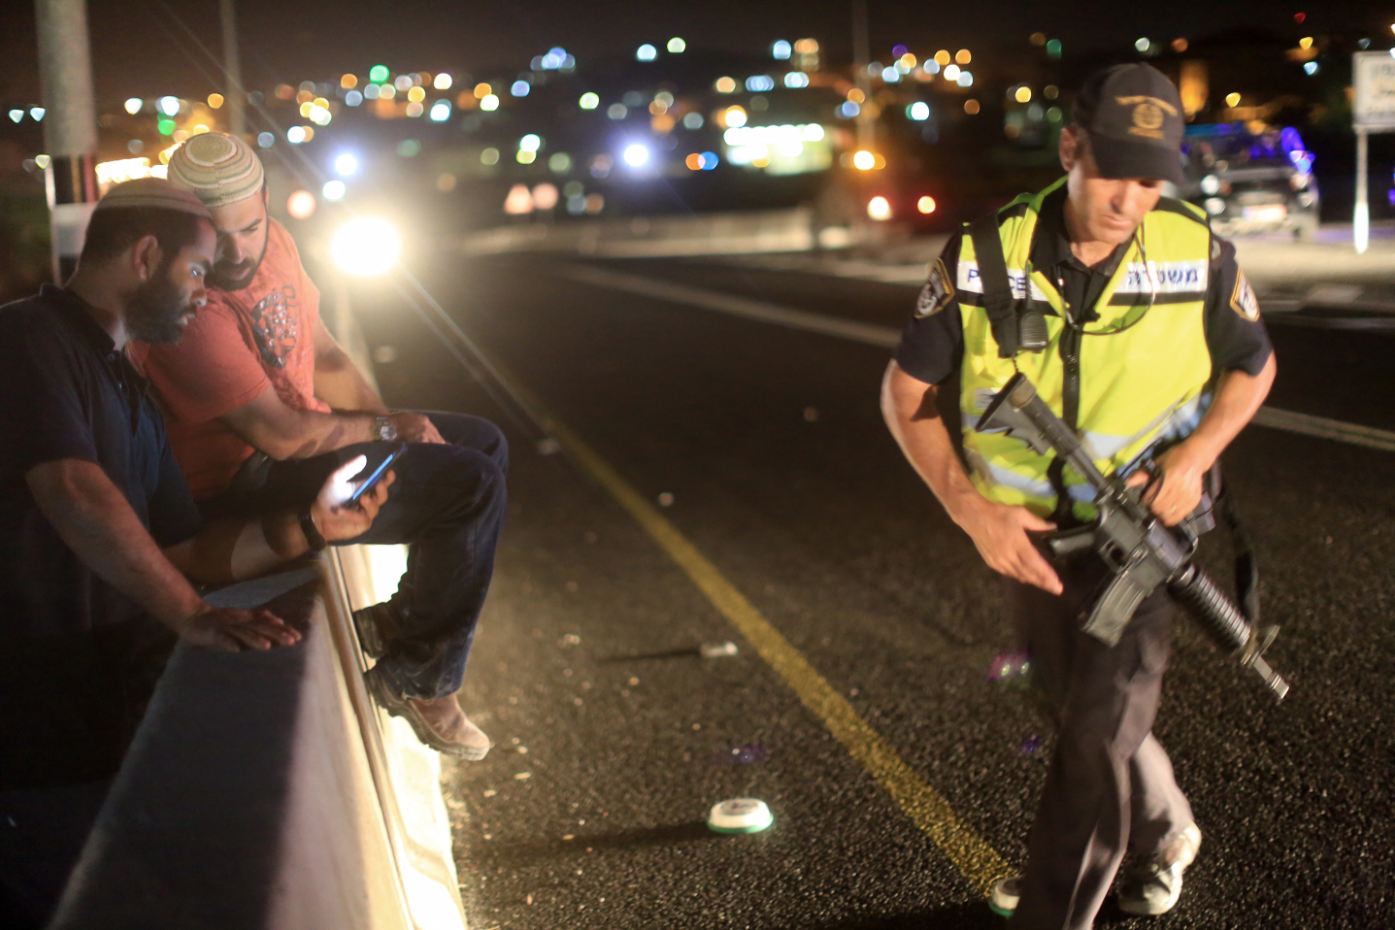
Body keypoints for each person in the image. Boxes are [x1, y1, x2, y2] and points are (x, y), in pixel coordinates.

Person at [880, 64, 1276, 929]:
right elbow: (904, 395)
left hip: (1142, 542)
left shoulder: (1195, 251)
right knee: (1073, 707)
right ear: (1069, 150)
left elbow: (1254, 366)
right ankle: (1169, 829)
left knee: (1092, 747)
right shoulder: (984, 256)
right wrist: (969, 506)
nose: (1130, 199)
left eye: (1150, 178)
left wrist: (1195, 456)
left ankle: (1057, 912)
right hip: (1031, 538)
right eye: (1113, 171)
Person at [0, 178, 390, 928]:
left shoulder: (133, 390)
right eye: (197, 272)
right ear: (146, 255)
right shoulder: (27, 338)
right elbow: (72, 489)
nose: (204, 295)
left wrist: (309, 529)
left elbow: (186, 550)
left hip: (106, 719)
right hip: (26, 723)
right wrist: (192, 617)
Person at [129, 131, 508, 761]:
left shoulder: (277, 244)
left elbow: (327, 354)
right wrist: (390, 432)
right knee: (470, 486)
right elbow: (279, 434)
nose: (236, 250)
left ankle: (400, 624)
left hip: (303, 445)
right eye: (215, 236)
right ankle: (421, 677)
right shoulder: (186, 304)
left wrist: (396, 426)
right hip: (245, 481)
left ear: (266, 201)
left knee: (480, 444)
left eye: (248, 227)